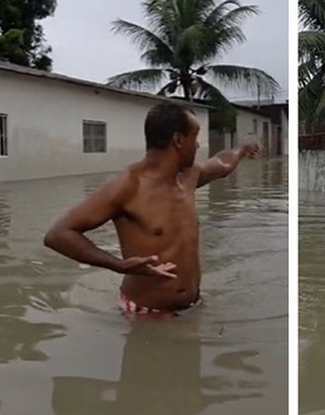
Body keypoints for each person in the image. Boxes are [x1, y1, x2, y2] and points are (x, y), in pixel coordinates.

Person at [43, 102, 260, 316]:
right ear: (178, 139)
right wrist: (120, 265)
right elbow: (58, 235)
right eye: (195, 137)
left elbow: (223, 164)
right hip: (146, 314)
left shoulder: (190, 176)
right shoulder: (128, 187)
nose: (197, 146)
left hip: (193, 306)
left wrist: (242, 150)